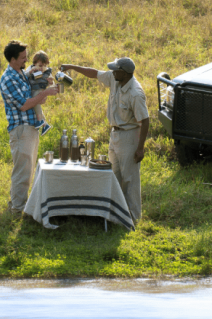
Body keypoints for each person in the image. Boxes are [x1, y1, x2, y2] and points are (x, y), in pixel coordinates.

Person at [59, 57, 149, 222]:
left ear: (125, 73)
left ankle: (133, 218)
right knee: (114, 176)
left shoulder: (136, 93)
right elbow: (93, 73)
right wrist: (71, 66)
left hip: (129, 136)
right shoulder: (114, 78)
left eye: (116, 69)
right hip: (115, 134)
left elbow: (145, 121)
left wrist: (140, 148)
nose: (112, 71)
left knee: (130, 178)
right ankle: (118, 214)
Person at [0, 40, 59, 214]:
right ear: (12, 59)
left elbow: (35, 96)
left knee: (28, 168)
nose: (27, 60)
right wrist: (45, 93)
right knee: (22, 171)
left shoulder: (21, 74)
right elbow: (25, 105)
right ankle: (18, 209)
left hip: (30, 127)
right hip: (21, 128)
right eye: (23, 57)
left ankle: (20, 205)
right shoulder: (9, 79)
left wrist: (44, 85)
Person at [24, 50, 54, 134]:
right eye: (40, 65)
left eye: (45, 65)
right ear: (34, 64)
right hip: (33, 90)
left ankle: (40, 120)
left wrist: (50, 82)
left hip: (40, 90)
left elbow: (52, 85)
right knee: (36, 105)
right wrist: (30, 72)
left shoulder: (47, 72)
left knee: (35, 101)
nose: (42, 68)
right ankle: (45, 124)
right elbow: (24, 76)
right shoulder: (31, 69)